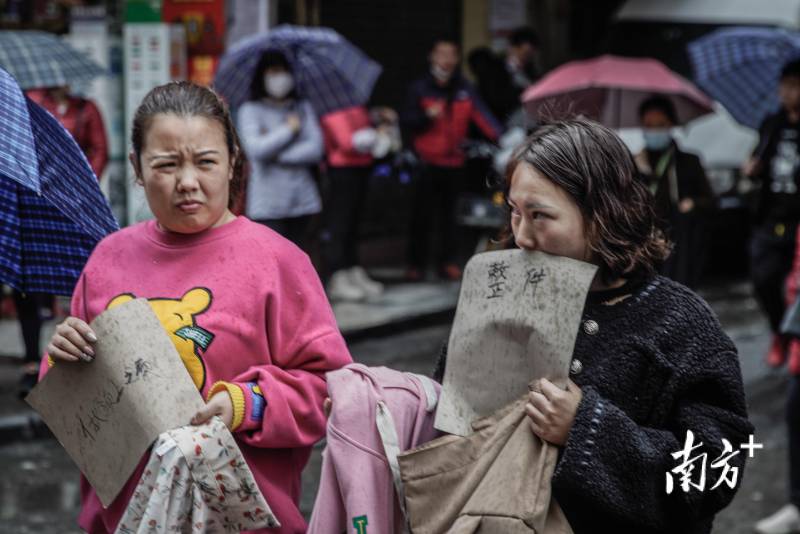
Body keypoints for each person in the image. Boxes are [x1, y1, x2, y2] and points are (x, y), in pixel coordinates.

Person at [42, 81, 352, 533]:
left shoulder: (278, 261)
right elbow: (75, 409)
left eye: (205, 162)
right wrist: (60, 359)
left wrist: (246, 404)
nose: (188, 182)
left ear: (232, 163)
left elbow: (329, 391)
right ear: (137, 167)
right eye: (166, 165)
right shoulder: (107, 258)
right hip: (122, 520)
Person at [433, 119, 752, 533]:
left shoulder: (680, 322)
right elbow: (446, 418)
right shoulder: (501, 296)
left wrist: (587, 428)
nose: (522, 235)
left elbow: (715, 473)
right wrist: (385, 403)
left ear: (602, 216)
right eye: (514, 212)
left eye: (540, 216)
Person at [402, 36, 502, 281]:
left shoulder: (464, 88)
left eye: (451, 54)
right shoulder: (419, 88)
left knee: (451, 218)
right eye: (441, 54)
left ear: (457, 59)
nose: (446, 60)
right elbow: (406, 122)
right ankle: (416, 265)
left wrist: (505, 140)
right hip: (426, 163)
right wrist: (426, 116)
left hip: (455, 163)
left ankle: (447, 263)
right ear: (432, 57)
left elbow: (485, 119)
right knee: (421, 217)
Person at [743, 59, 800, 370]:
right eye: (785, 86)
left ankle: (795, 340)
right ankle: (781, 331)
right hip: (770, 218)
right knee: (763, 279)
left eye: (794, 86)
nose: (787, 93)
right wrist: (751, 167)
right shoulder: (772, 123)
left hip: (798, 223)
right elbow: (758, 156)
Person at [237, 49, 324, 250]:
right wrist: (289, 130)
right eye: (274, 72)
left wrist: (277, 155)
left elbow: (316, 149)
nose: (281, 78)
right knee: (271, 261)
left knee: (301, 260)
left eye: (284, 71)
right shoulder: (250, 110)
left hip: (303, 199)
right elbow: (257, 150)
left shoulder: (302, 108)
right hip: (268, 204)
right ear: (262, 76)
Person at [320, 105, 400, 302]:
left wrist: (378, 119)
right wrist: (376, 134)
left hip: (361, 168)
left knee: (354, 225)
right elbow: (347, 142)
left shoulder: (357, 106)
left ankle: (352, 269)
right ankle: (337, 276)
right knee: (340, 224)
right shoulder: (331, 107)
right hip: (341, 171)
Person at [634, 95, 715, 289]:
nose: (654, 130)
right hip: (647, 238)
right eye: (649, 125)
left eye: (660, 124)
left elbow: (711, 201)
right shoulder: (634, 163)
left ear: (671, 124)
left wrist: (693, 203)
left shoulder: (688, 161)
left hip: (681, 241)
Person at [26, 86, 108, 178]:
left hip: (76, 175)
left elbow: (100, 149)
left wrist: (91, 178)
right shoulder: (35, 101)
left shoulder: (85, 107)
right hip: (44, 175)